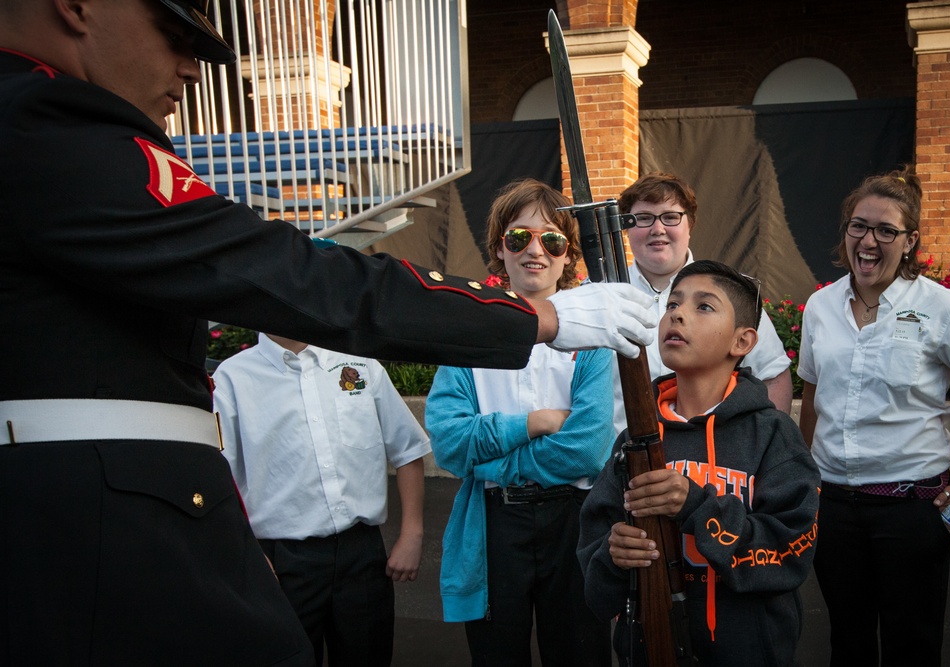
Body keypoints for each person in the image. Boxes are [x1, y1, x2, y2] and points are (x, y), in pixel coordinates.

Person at [0, 2, 657, 665]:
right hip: (95, 531)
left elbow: (576, 447)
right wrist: (539, 319)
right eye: (174, 36)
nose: (192, 70)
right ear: (80, 7)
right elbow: (291, 276)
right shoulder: (44, 123)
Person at [796, 166, 950, 667]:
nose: (869, 241)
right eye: (859, 226)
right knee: (848, 640)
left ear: (909, 241)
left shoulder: (945, 310)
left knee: (912, 644)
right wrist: (804, 476)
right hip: (836, 509)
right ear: (845, 231)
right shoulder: (821, 306)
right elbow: (812, 393)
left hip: (913, 511)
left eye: (886, 230)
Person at [578, 260, 821, 667]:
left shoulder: (773, 435)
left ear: (743, 342)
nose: (677, 312)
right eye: (673, 303)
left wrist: (697, 507)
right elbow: (596, 569)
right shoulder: (635, 441)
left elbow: (791, 552)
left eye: (704, 306)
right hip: (649, 649)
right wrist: (614, 552)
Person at [425, 179, 616, 666]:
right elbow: (448, 443)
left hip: (572, 521)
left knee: (579, 655)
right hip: (492, 526)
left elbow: (587, 449)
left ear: (568, 254)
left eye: (552, 239)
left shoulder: (591, 339)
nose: (535, 250)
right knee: (496, 657)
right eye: (519, 237)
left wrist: (490, 462)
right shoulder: (466, 339)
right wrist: (535, 422)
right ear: (498, 248)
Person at [212, 333, 430, 667]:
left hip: (362, 555)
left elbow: (408, 449)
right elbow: (218, 476)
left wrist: (412, 533)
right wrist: (247, 553)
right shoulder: (233, 377)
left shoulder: (359, 364)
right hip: (281, 562)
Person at [612, 172, 793, 436]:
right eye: (643, 218)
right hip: (621, 465)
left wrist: (758, 453)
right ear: (626, 228)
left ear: (691, 224)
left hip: (714, 468)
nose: (657, 229)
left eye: (671, 217)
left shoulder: (731, 293)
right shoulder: (602, 298)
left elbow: (773, 376)